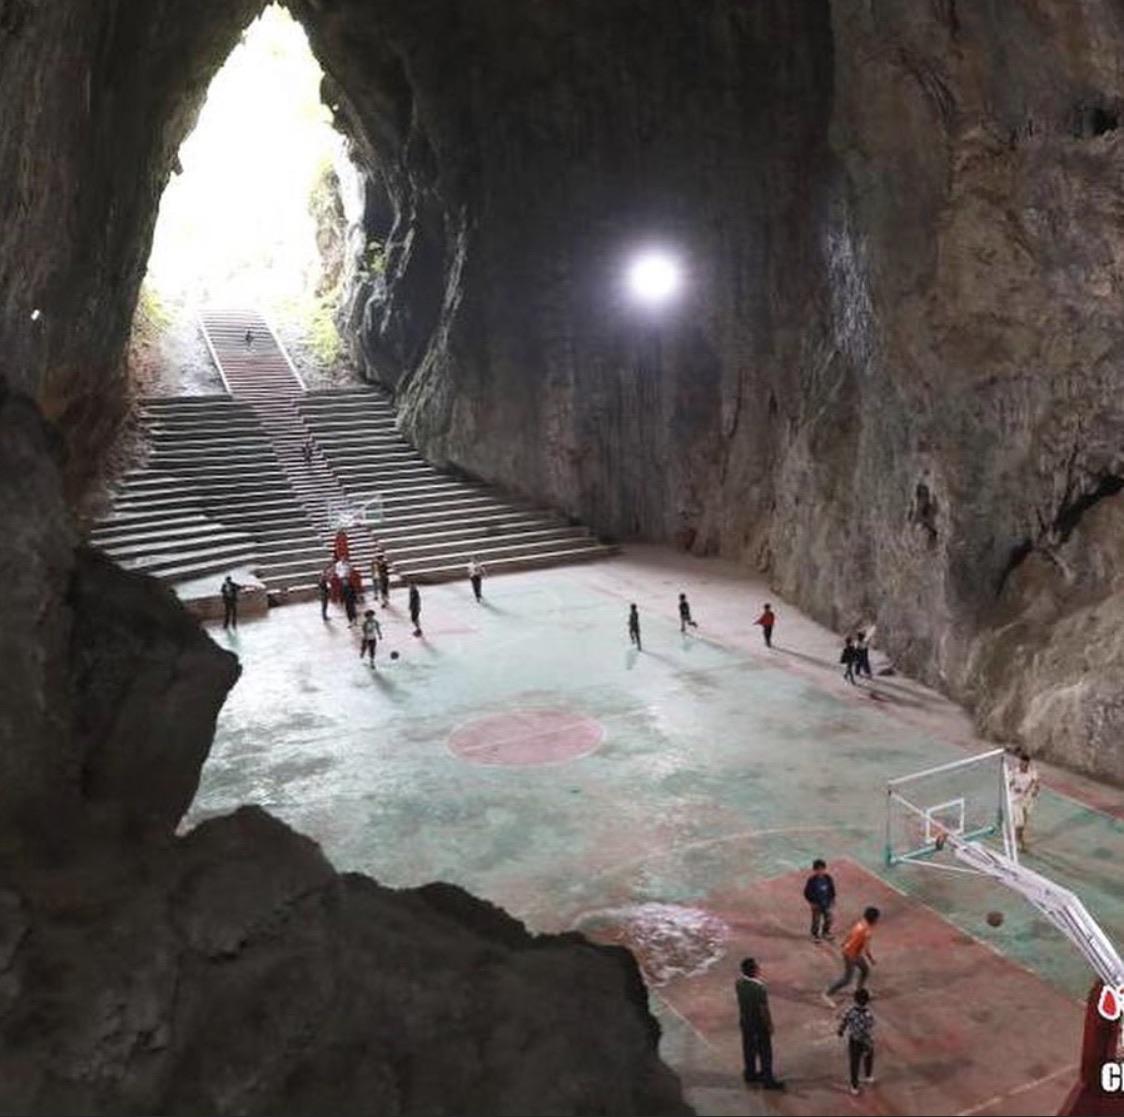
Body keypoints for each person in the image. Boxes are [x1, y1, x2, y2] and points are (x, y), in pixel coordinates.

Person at [735, 958, 785, 1090]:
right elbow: (763, 1009)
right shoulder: (759, 988)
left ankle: (750, 1073)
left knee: (748, 1049)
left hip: (745, 1021)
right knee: (765, 1052)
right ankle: (768, 1080)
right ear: (754, 970)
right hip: (758, 1025)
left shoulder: (739, 983)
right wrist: (769, 1024)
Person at [823, 907, 880, 1005]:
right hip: (851, 955)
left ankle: (859, 990)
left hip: (853, 952)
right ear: (874, 919)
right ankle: (827, 994)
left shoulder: (860, 923)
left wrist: (844, 943)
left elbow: (850, 934)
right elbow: (866, 950)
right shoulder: (867, 931)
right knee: (847, 979)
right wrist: (872, 960)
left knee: (865, 970)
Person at [837, 987, 876, 1095]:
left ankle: (854, 1086)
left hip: (854, 1039)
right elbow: (870, 1027)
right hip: (865, 1039)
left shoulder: (850, 1011)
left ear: (855, 999)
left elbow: (844, 1020)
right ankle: (868, 1076)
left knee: (854, 1062)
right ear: (867, 1001)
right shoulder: (868, 1015)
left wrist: (841, 1030)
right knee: (869, 1056)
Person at [1007, 750, 1041, 853]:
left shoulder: (1033, 772)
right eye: (1021, 763)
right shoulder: (1013, 773)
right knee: (1020, 823)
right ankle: (1020, 843)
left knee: (1024, 822)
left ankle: (1016, 834)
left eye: (1024, 764)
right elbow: (1008, 784)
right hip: (1016, 800)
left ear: (1028, 764)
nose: (1022, 765)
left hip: (1028, 800)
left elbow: (1036, 784)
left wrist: (1035, 790)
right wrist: (1014, 787)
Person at [804, 858, 836, 943]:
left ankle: (825, 932)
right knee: (816, 920)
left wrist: (832, 900)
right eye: (818, 870)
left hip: (827, 903)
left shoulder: (828, 878)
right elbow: (806, 893)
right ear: (815, 870)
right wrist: (811, 902)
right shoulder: (811, 881)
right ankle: (814, 935)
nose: (820, 871)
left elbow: (832, 889)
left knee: (829, 919)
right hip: (817, 905)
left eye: (822, 869)